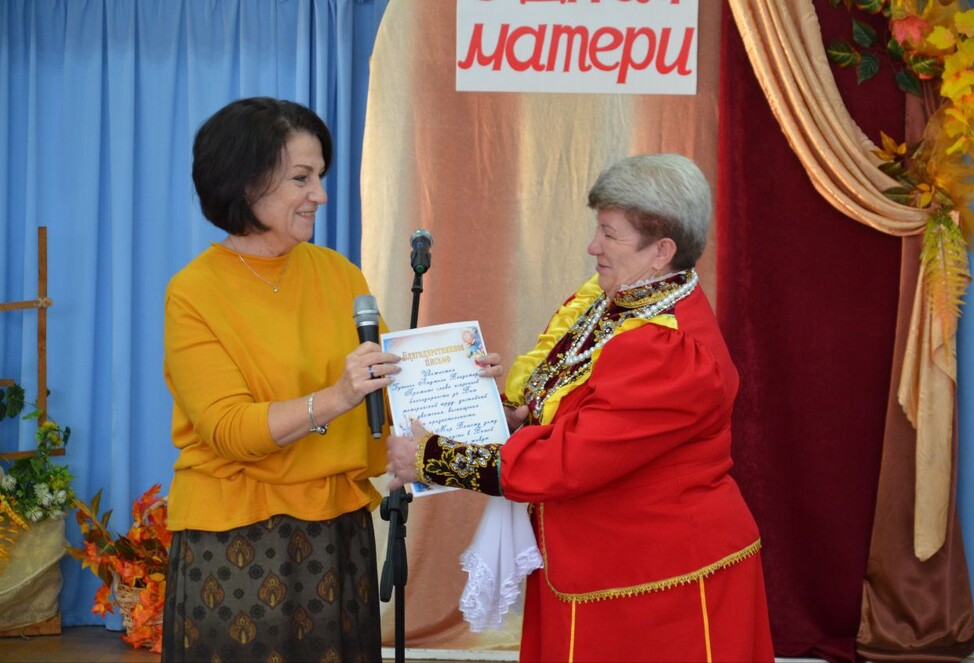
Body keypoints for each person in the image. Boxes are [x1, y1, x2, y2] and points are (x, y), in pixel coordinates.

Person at [387, 154, 774, 662]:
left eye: (609, 234)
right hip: (598, 561)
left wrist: (433, 457)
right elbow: (569, 403)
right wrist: (505, 412)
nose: (593, 246)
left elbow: (568, 460)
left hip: (659, 582)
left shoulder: (669, 351)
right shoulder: (616, 301)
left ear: (662, 251)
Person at [160, 97, 403, 662]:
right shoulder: (194, 292)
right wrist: (337, 397)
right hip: (237, 536)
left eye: (320, 176)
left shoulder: (338, 273)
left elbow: (391, 383)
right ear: (246, 183)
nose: (320, 194)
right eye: (301, 178)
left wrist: (469, 384)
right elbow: (228, 429)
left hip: (338, 529)